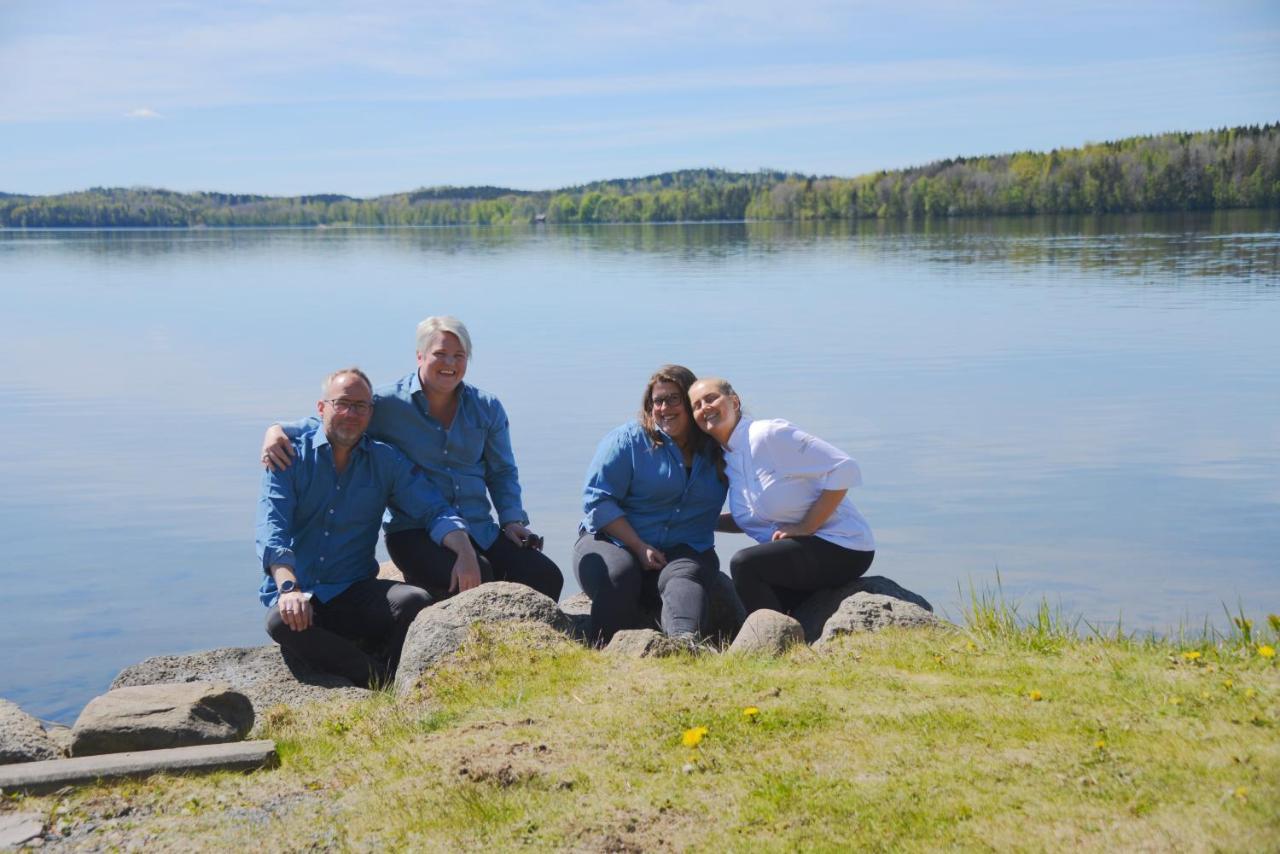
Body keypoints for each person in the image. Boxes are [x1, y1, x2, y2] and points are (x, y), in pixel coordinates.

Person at [261, 316, 563, 603]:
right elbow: (341, 420)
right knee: (478, 576)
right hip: (414, 530)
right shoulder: (388, 403)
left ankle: (522, 648)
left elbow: (502, 472)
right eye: (440, 354)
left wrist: (511, 520)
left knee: (544, 576)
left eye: (459, 356)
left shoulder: (487, 407)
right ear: (420, 356)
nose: (450, 363)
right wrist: (278, 429)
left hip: (478, 527)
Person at [256, 367, 481, 687]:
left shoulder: (385, 461)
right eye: (342, 403)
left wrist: (463, 549)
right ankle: (377, 679)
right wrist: (288, 588)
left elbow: (433, 507)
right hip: (301, 593)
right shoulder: (289, 456)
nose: (351, 413)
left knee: (414, 602)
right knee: (280, 622)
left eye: (360, 406)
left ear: (370, 413)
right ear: (322, 408)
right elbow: (272, 528)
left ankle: (387, 673)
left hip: (352, 589)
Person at [687, 377, 875, 616]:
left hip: (843, 545)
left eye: (711, 398)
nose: (705, 407)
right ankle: (788, 641)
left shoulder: (768, 434)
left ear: (734, 402)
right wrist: (701, 522)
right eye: (697, 405)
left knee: (744, 565)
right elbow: (758, 518)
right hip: (801, 552)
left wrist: (807, 525)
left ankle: (773, 646)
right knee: (758, 595)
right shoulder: (727, 458)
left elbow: (844, 467)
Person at [574, 365, 728, 644]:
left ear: (691, 405)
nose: (664, 408)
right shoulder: (628, 441)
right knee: (620, 575)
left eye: (673, 399)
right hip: (612, 541)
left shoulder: (717, 449)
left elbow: (754, 500)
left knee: (685, 578)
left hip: (683, 550)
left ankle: (683, 647)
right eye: (658, 401)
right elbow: (597, 501)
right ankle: (606, 653)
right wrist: (638, 546)